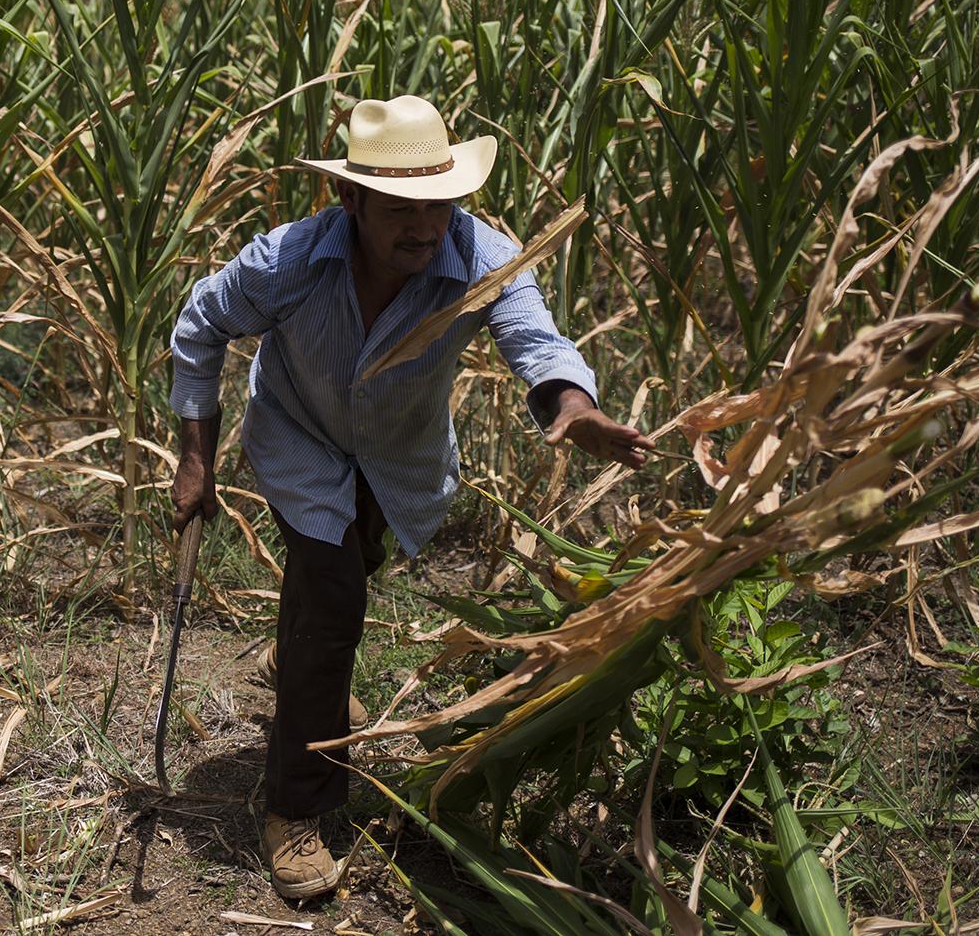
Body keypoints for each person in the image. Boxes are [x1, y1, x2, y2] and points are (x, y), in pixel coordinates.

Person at [167, 94, 652, 900]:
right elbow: (199, 325)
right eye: (401, 210)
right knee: (332, 603)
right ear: (350, 199)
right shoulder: (286, 260)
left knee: (348, 573)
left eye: (439, 206)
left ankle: (296, 661)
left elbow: (534, 334)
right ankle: (297, 809)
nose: (425, 229)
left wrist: (572, 404)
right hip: (299, 439)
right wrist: (196, 458)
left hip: (396, 459)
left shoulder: (479, 257)